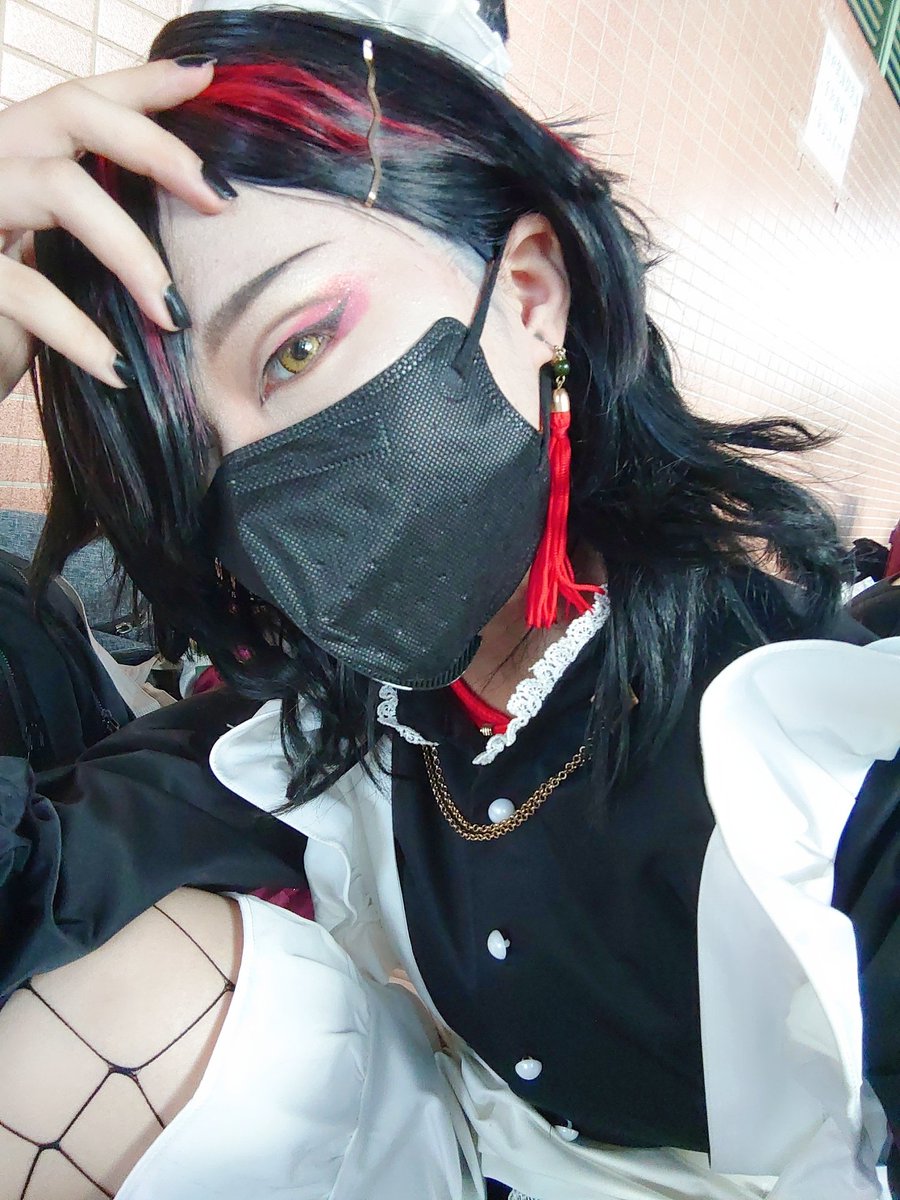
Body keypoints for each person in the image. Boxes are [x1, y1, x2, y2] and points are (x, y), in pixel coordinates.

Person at [0, 2, 897, 1197]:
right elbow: (31, 889)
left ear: (529, 292)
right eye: (192, 464)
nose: (257, 487)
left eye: (297, 349)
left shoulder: (810, 736)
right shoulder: (331, 723)